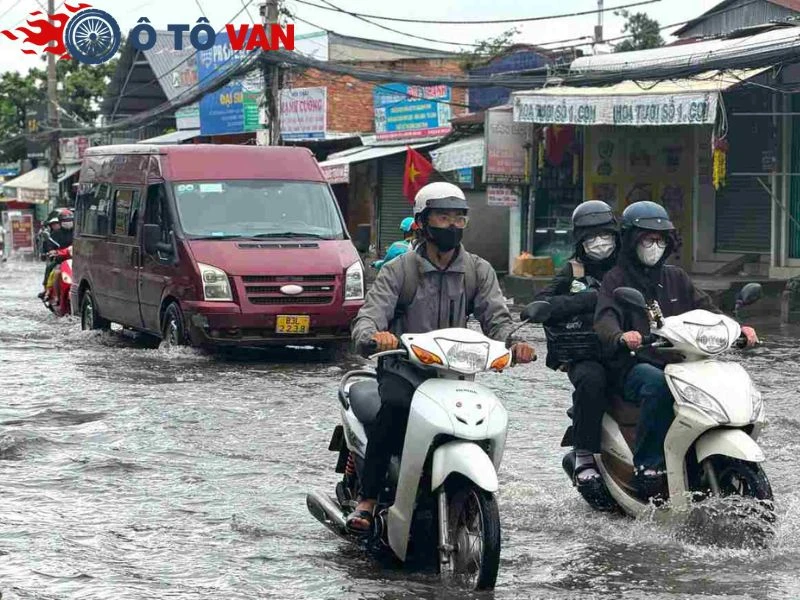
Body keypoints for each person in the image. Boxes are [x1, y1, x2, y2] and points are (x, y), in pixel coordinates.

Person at [347, 181, 536, 533]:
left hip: (454, 375)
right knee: (392, 412)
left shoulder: (478, 270)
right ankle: (369, 499)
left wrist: (515, 343)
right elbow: (371, 314)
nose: (451, 225)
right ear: (422, 222)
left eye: (458, 219)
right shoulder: (399, 270)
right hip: (404, 369)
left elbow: (497, 319)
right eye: (443, 217)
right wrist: (375, 336)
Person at [594, 201, 759, 498]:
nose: (654, 246)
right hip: (633, 366)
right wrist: (621, 335)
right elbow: (605, 319)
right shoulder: (615, 280)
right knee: (657, 385)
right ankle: (648, 465)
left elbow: (708, 309)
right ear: (632, 241)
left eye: (659, 240)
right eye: (647, 239)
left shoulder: (676, 277)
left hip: (682, 362)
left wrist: (737, 328)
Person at [534, 200, 620, 493]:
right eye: (591, 237)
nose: (599, 243)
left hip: (628, 345)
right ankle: (584, 454)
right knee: (590, 380)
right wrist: (590, 300)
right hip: (586, 351)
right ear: (580, 241)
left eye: (605, 235)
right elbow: (543, 302)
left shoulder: (629, 268)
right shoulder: (573, 270)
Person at [39, 209, 74, 299]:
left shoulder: (77, 233)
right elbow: (50, 246)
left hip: (76, 259)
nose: (68, 223)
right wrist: (52, 251)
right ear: (61, 222)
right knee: (52, 269)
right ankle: (47, 289)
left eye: (70, 221)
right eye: (65, 221)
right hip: (61, 259)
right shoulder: (56, 234)